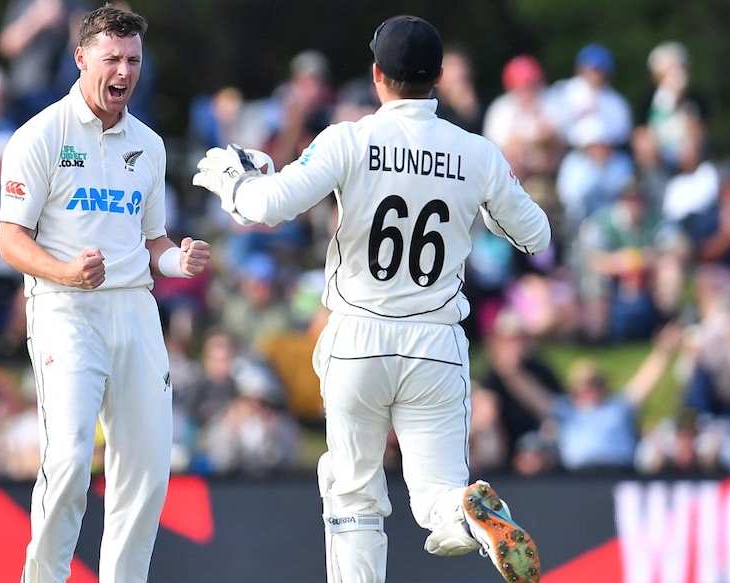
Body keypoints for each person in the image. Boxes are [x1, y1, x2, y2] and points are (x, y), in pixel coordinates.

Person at [192, 15, 548, 583]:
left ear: (377, 75)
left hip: (358, 336)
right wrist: (479, 203)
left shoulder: (350, 138)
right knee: (436, 494)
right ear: (436, 77)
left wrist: (233, 181)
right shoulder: (476, 152)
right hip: (436, 343)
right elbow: (536, 236)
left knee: (353, 493)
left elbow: (267, 207)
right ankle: (472, 516)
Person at [0, 6, 211, 583]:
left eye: (133, 60)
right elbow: (11, 241)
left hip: (135, 310)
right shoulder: (40, 136)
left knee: (145, 470)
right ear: (81, 58)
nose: (124, 72)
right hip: (66, 310)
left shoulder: (148, 143)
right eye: (112, 59)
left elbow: (153, 241)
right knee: (67, 465)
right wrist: (66, 272)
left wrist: (178, 260)